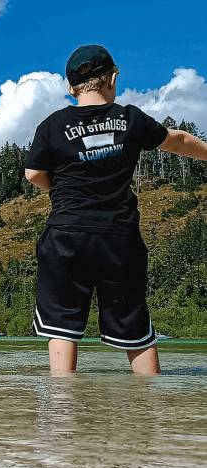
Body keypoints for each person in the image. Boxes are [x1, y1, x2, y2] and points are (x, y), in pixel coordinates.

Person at [25, 45, 207, 374]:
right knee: (134, 328)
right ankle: (149, 410)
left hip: (66, 235)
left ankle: (62, 416)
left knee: (63, 329)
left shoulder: (52, 125)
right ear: (112, 78)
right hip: (118, 239)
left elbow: (33, 174)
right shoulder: (130, 119)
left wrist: (60, 190)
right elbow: (177, 140)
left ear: (71, 88)